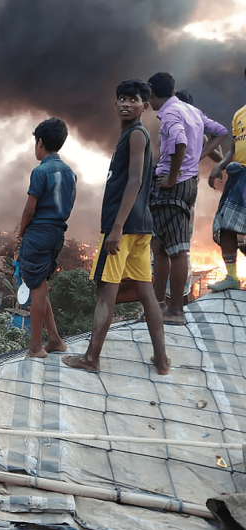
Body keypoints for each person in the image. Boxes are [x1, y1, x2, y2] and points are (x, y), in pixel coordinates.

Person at [63, 79, 170, 375]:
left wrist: (117, 226)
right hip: (142, 225)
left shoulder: (136, 135)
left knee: (106, 290)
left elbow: (135, 181)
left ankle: (91, 358)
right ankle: (161, 360)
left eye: (132, 99)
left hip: (124, 226)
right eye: (121, 98)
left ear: (144, 106)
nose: (125, 103)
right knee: (146, 290)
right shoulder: (136, 136)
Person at [147, 72, 228, 324]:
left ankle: (174, 309)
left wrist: (173, 177)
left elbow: (180, 143)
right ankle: (159, 305)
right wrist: (200, 157)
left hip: (174, 185)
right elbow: (221, 131)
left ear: (152, 92)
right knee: (160, 246)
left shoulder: (172, 113)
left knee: (176, 250)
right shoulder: (192, 111)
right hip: (184, 183)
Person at [17, 117, 76, 358]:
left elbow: (30, 208)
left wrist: (21, 232)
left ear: (40, 142)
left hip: (39, 232)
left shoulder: (40, 171)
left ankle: (35, 346)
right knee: (40, 285)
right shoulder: (71, 173)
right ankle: (54, 340)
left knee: (36, 288)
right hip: (57, 232)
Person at [208, 66, 246, 291]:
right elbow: (234, 145)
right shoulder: (239, 115)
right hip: (239, 176)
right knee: (225, 225)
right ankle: (232, 276)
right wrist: (219, 165)